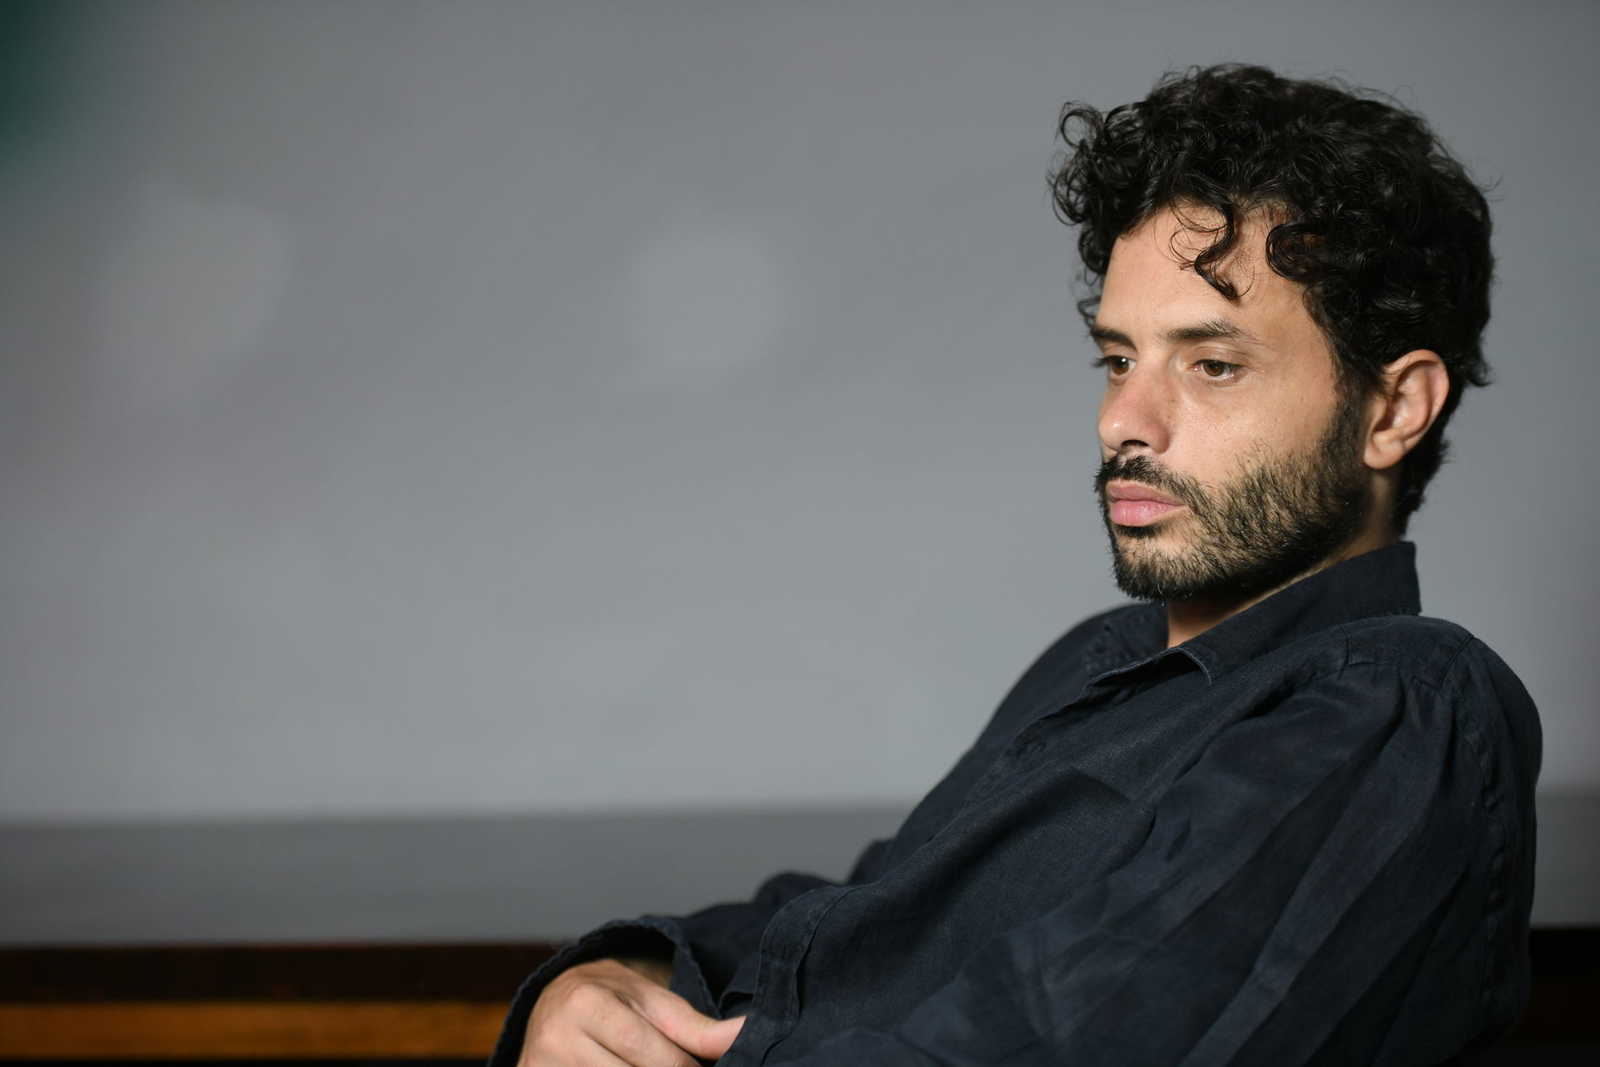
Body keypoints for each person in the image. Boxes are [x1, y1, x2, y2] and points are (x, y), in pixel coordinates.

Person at [492, 64, 1541, 1067]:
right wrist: (619, 977)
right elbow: (873, 918)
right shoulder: (1105, 657)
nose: (1123, 420)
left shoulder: (1398, 707)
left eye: (1213, 364)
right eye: (1118, 357)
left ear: (1393, 409)